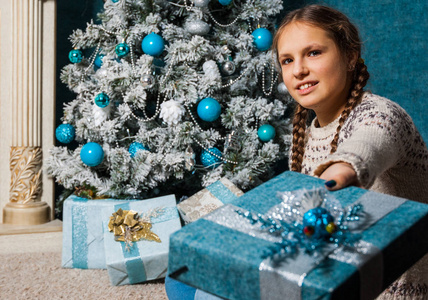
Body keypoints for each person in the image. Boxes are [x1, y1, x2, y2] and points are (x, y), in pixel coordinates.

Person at [273, 4, 428, 299]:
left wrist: (343, 169)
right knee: (186, 281)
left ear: (350, 56)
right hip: (337, 281)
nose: (299, 70)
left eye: (314, 53)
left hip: (393, 291)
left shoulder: (382, 113)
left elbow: (369, 143)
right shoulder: (304, 135)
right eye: (287, 60)